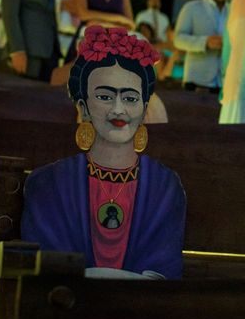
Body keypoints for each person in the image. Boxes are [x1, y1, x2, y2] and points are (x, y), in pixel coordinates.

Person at [21, 25, 186, 280]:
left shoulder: (165, 186)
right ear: (83, 107)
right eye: (105, 96)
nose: (118, 110)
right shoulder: (47, 184)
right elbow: (43, 271)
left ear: (144, 109)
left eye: (130, 98)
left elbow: (164, 272)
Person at [174, 0, 234, 93]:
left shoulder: (234, 12)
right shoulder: (192, 8)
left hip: (225, 82)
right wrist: (205, 42)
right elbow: (178, 39)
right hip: (196, 81)